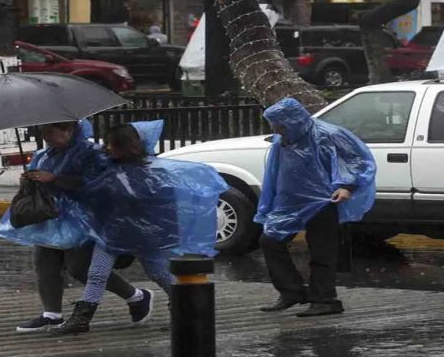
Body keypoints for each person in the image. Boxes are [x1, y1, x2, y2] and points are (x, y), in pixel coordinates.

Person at [52, 120, 228, 335]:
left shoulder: (148, 171)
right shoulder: (110, 168)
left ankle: (186, 309)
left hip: (140, 234)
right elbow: (93, 191)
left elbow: (156, 202)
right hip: (114, 231)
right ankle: (81, 318)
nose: (106, 147)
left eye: (111, 144)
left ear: (126, 146)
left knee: (158, 272)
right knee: (97, 273)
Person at [0, 121, 152, 332]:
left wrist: (56, 179)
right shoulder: (45, 155)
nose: (46, 136)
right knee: (44, 261)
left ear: (69, 130)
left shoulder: (91, 153)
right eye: (43, 132)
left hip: (82, 218)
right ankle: (52, 314)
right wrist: (31, 179)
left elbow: (96, 183)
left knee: (80, 267)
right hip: (51, 217)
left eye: (50, 132)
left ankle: (136, 296)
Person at [255, 98, 376, 317]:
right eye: (275, 126)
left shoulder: (328, 134)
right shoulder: (283, 139)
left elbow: (357, 159)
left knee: (322, 251)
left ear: (293, 121)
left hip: (323, 200)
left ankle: (325, 299)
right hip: (290, 200)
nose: (276, 130)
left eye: (280, 126)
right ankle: (292, 292)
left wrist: (346, 186)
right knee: (270, 240)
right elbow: (276, 170)